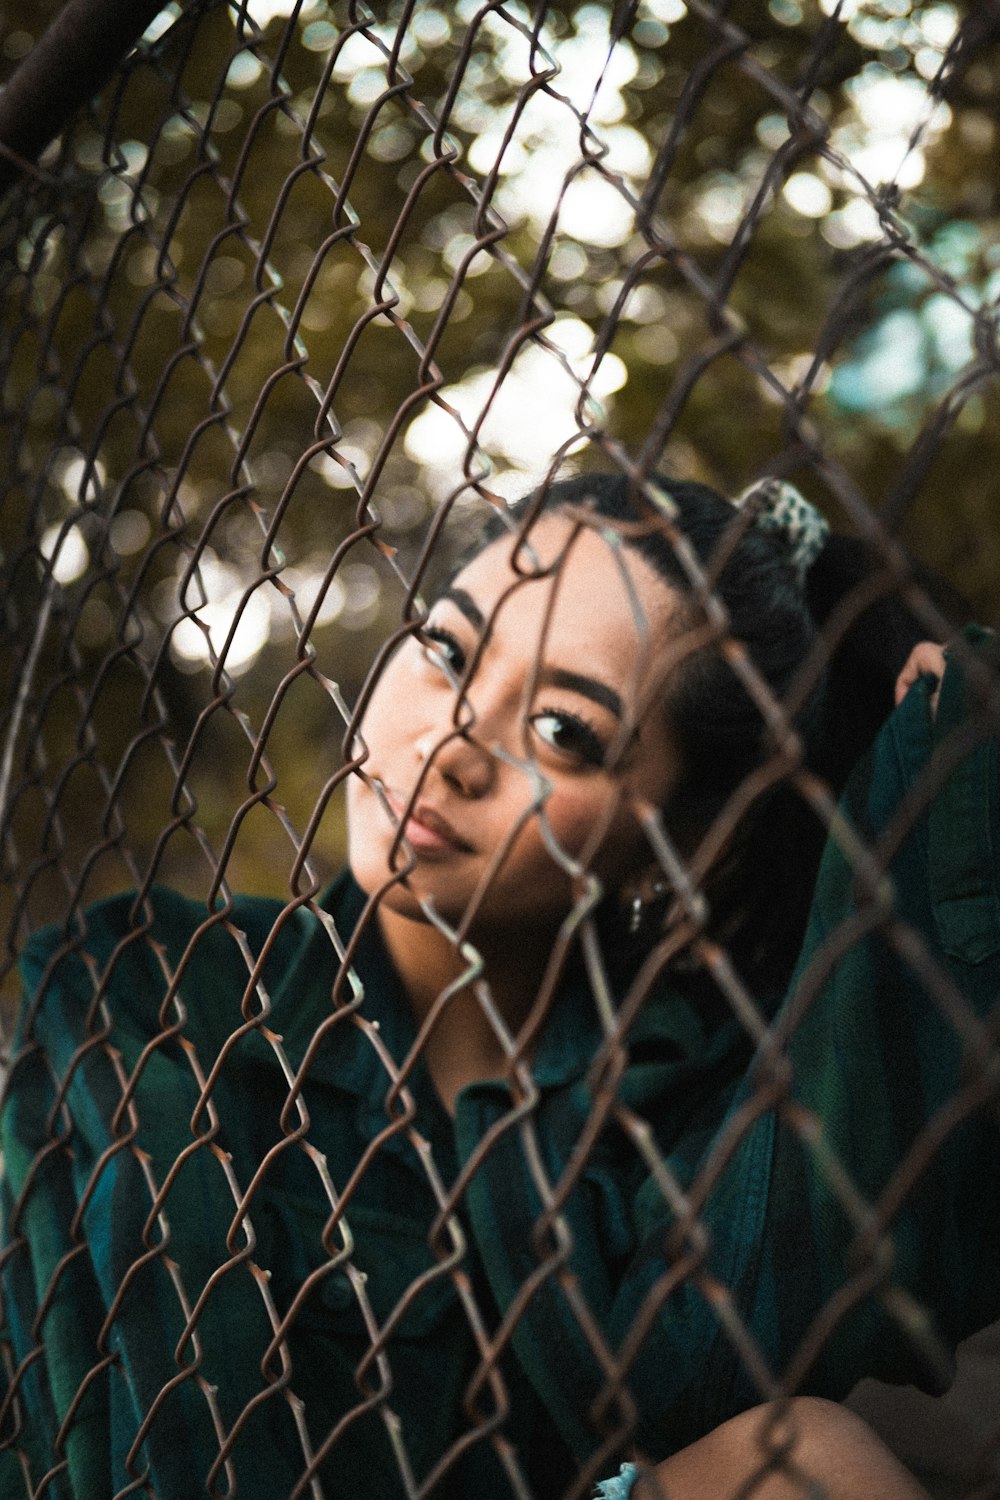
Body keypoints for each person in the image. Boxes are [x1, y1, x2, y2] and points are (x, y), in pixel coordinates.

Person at [1, 471, 997, 1500]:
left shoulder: (683, 1092)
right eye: (448, 651)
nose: (451, 746)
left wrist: (953, 749)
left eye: (562, 731)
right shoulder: (157, 985)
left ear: (671, 846)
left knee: (803, 1464)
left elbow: (760, 1312)